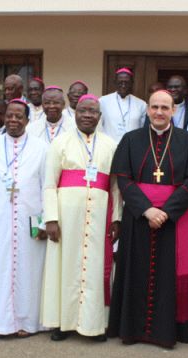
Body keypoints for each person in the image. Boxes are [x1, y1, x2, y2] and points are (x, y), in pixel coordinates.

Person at [107, 90, 188, 348]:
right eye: (154, 107)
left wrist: (167, 212)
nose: (159, 112)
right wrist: (147, 210)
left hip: (174, 219)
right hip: (138, 216)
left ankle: (165, 332)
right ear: (148, 110)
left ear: (173, 110)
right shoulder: (131, 139)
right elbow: (123, 178)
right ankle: (132, 330)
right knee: (135, 270)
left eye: (165, 107)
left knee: (168, 274)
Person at [40, 94, 122, 342]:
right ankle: (62, 323)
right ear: (74, 113)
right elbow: (49, 184)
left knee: (95, 268)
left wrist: (116, 218)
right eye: (83, 110)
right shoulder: (60, 143)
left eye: (93, 111)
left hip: (99, 217)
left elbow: (116, 187)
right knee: (65, 266)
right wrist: (51, 218)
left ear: (99, 116)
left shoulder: (110, 145)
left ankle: (94, 324)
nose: (87, 115)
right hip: (67, 217)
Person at [0, 99, 48, 337]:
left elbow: (46, 187)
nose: (13, 120)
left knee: (30, 271)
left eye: (19, 116)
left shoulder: (41, 148)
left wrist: (45, 222)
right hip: (0, 221)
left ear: (28, 120)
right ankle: (1, 322)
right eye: (10, 116)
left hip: (31, 218)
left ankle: (27, 323)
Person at [99, 68, 147, 143]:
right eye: (120, 82)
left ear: (132, 83)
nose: (123, 86)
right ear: (115, 83)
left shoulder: (141, 104)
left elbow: (142, 129)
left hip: (132, 146)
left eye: (126, 83)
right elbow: (99, 126)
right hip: (109, 146)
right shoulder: (103, 101)